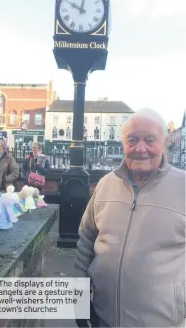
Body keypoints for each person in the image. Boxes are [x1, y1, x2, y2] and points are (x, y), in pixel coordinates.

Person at [74, 108, 185, 328]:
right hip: (102, 318)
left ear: (164, 144)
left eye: (150, 140)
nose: (140, 149)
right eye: (132, 140)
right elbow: (86, 240)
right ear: (123, 143)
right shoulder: (106, 184)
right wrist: (78, 299)